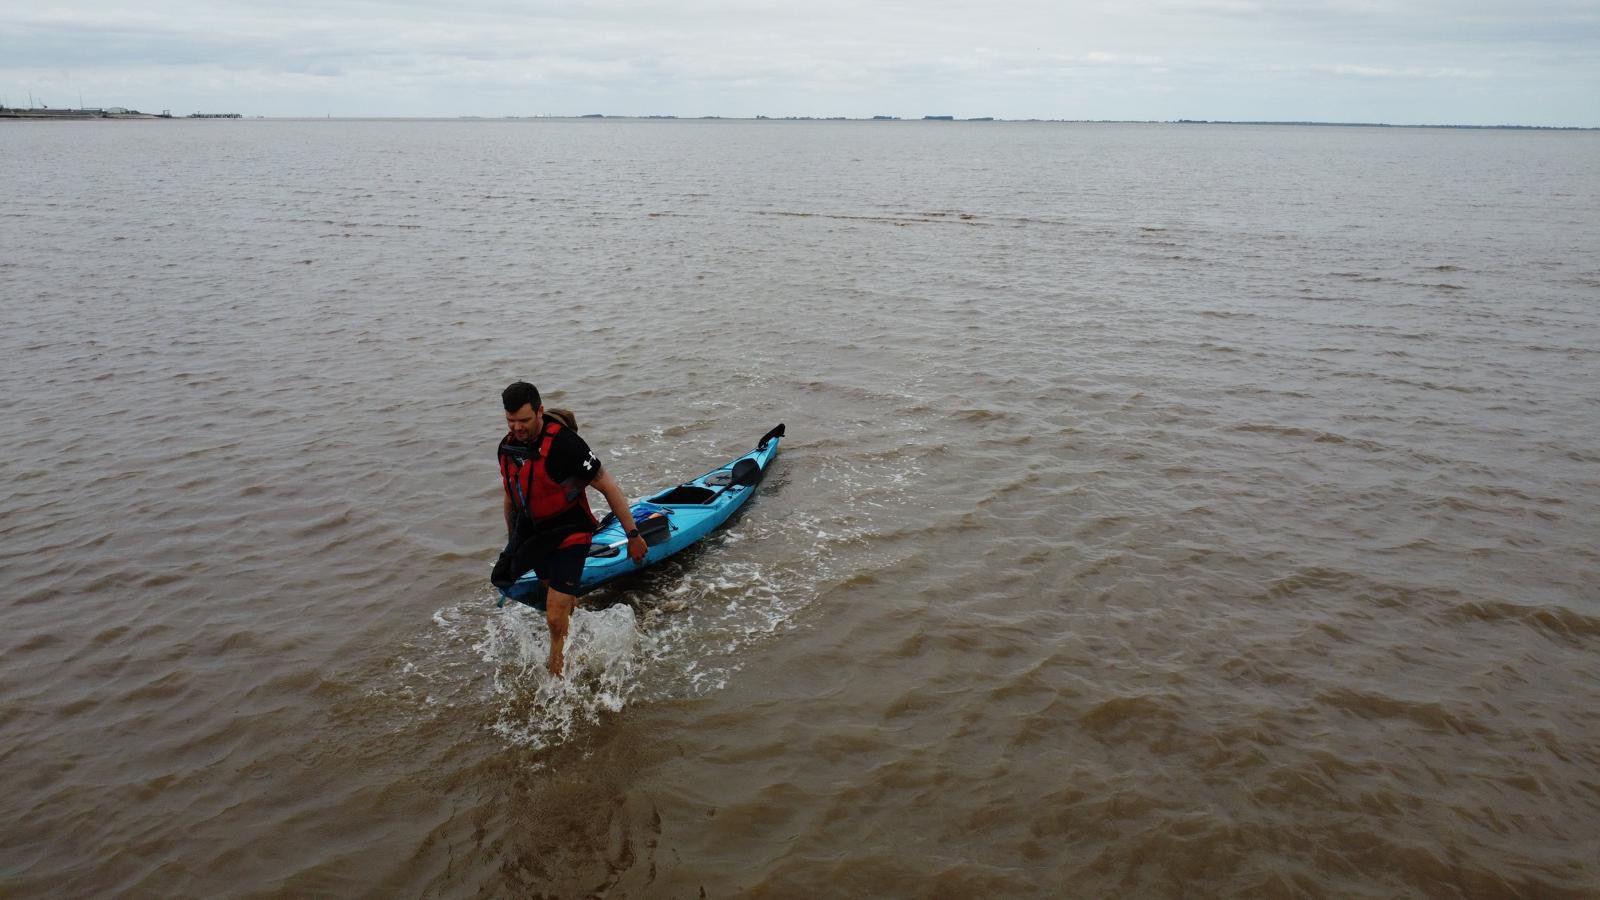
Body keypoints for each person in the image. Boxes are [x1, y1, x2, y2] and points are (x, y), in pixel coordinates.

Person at [493, 381, 646, 677]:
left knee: (553, 616)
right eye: (511, 420)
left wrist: (633, 535)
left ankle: (557, 674)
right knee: (547, 595)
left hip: (570, 530)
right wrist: (514, 543)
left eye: (524, 420)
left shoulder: (566, 445)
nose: (517, 427)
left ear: (539, 411)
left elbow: (607, 485)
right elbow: (510, 495)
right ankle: (571, 626)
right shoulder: (507, 448)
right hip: (535, 532)